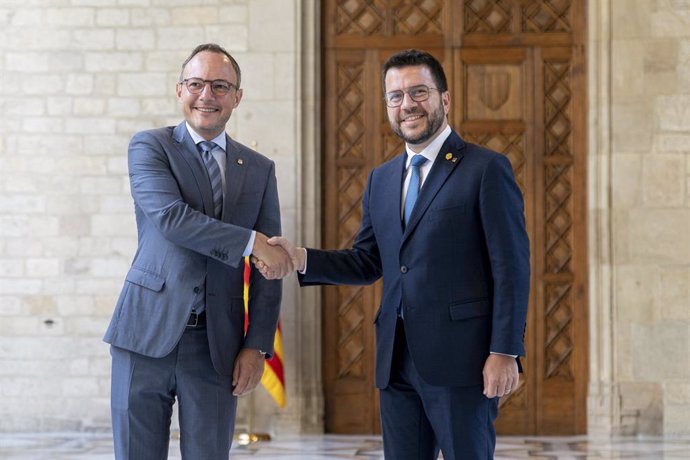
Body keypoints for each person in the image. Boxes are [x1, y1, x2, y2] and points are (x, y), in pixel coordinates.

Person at [260, 49, 530, 459]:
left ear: (445, 98)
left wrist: (504, 351)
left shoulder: (485, 169)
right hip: (396, 361)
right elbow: (367, 261)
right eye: (396, 96)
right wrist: (300, 258)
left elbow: (511, 268)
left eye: (419, 92)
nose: (407, 105)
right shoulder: (382, 179)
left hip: (463, 362)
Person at [103, 43, 292, 460]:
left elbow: (269, 266)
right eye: (196, 83)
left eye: (220, 85)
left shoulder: (260, 169)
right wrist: (249, 241)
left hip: (217, 347)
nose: (206, 95)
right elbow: (172, 218)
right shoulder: (150, 147)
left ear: (237, 96)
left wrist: (257, 344)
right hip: (144, 334)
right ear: (179, 90)